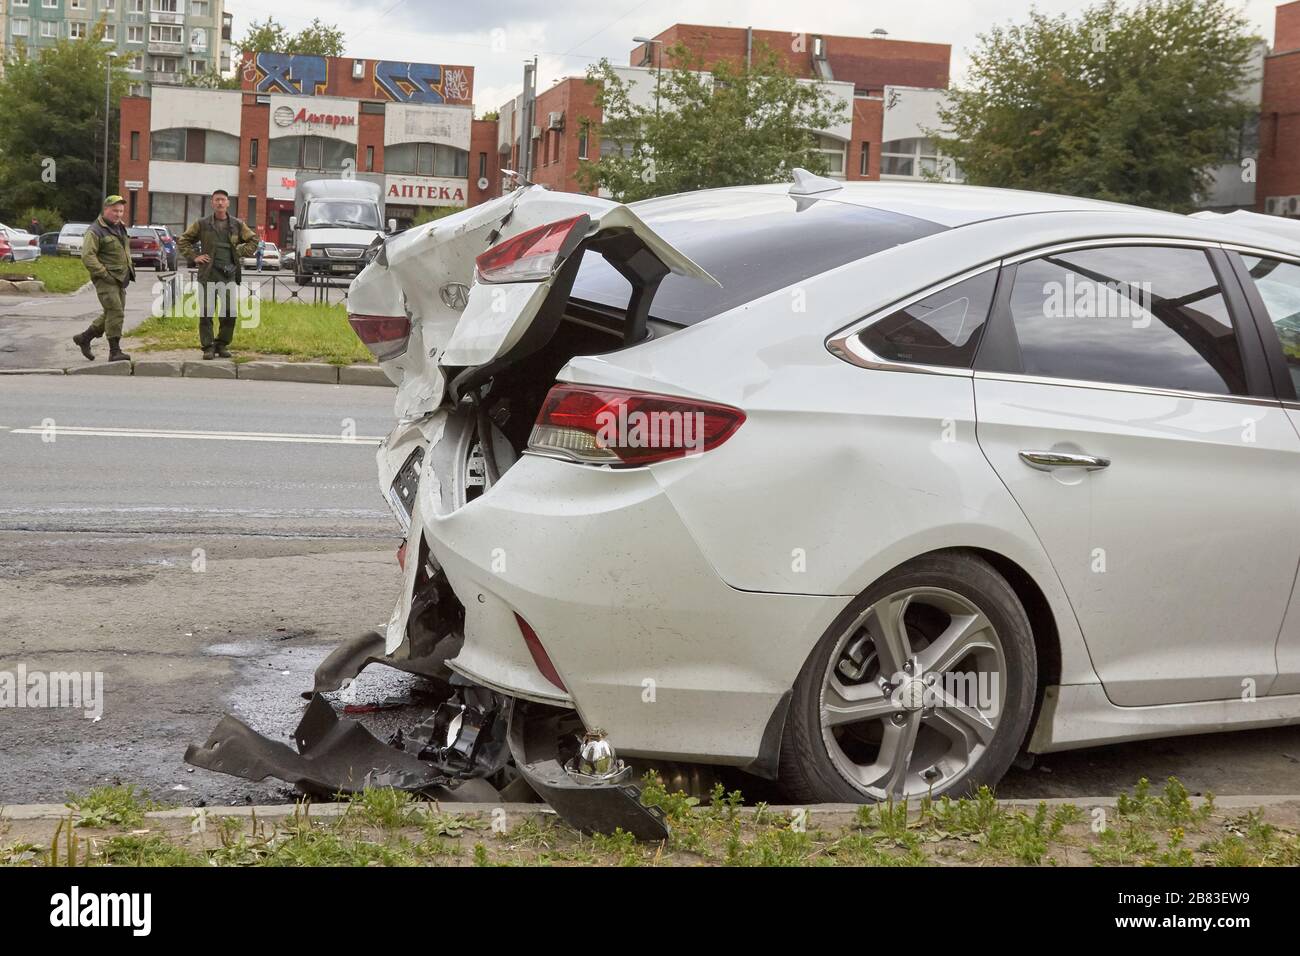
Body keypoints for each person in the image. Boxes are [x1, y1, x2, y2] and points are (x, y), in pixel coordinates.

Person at [175, 189, 259, 360]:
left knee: (229, 312)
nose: (220, 203)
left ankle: (222, 344)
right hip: (208, 274)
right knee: (207, 312)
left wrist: (240, 251)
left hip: (228, 274)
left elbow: (254, 240)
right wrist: (194, 257)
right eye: (217, 200)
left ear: (228, 203)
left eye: (223, 200)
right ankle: (208, 347)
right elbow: (183, 240)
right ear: (212, 203)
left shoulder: (236, 224)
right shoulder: (202, 224)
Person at [72, 196, 136, 362]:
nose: (118, 214)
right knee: (116, 312)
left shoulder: (119, 227)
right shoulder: (95, 230)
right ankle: (115, 352)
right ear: (106, 209)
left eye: (121, 211)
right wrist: (104, 273)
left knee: (111, 312)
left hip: (120, 278)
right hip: (106, 279)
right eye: (115, 210)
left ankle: (84, 338)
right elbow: (87, 256)